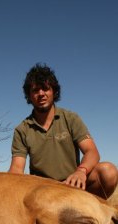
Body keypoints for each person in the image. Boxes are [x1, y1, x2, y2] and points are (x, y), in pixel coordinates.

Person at [9, 63, 118, 199]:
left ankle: (91, 212)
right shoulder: (22, 129)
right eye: (36, 90)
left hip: (74, 184)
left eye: (45, 88)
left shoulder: (71, 118)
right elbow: (16, 169)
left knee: (108, 171)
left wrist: (81, 171)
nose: (41, 94)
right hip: (43, 190)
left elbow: (92, 152)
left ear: (53, 91)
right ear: (29, 96)